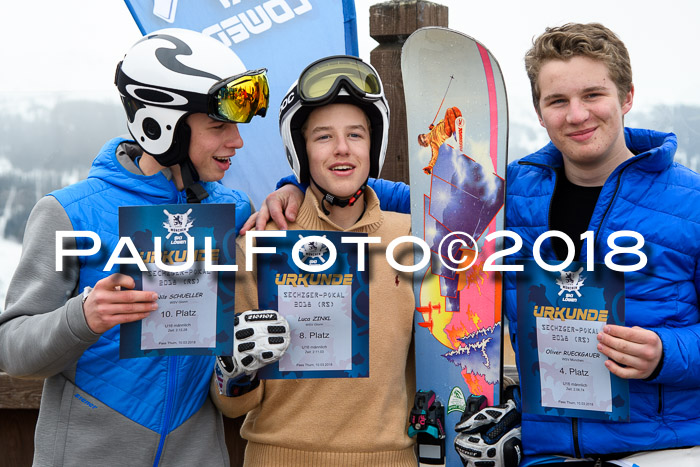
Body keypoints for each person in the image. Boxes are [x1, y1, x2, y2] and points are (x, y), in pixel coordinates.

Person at [0, 28, 290, 466]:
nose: (237, 140)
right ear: (163, 126)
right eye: (218, 126)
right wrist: (81, 318)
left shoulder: (233, 211)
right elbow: (12, 348)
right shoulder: (70, 213)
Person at [458, 22, 700, 465]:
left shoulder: (692, 203)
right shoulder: (513, 194)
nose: (576, 115)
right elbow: (416, 199)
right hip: (545, 452)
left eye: (593, 95)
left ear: (626, 98)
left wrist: (666, 353)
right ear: (539, 111)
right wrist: (297, 187)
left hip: (663, 450)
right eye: (557, 101)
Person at [212, 55, 418, 466]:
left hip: (390, 458)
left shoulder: (413, 237)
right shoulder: (262, 240)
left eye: (356, 135)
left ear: (372, 146)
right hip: (279, 456)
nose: (342, 149)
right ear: (301, 150)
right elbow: (230, 405)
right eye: (323, 137)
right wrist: (235, 372)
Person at [418, 106, 463, 174]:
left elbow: (437, 128)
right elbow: (434, 156)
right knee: (449, 111)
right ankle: (455, 133)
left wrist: (433, 127)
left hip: (446, 124)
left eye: (423, 135)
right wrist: (430, 167)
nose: (425, 136)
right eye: (424, 138)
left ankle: (458, 123)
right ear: (426, 143)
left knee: (454, 109)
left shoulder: (432, 131)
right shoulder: (433, 144)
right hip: (446, 131)